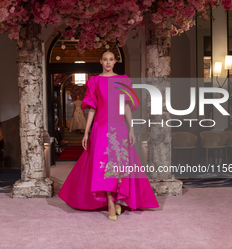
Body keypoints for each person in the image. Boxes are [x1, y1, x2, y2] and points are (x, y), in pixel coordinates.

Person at [58, 49, 159, 221]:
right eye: (105, 59)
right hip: (101, 128)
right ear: (100, 61)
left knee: (119, 165)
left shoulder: (123, 80)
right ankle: (111, 202)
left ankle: (118, 198)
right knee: (104, 167)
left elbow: (126, 107)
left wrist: (132, 129)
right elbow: (92, 108)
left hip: (120, 127)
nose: (108, 62)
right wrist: (87, 132)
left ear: (115, 61)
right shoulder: (94, 81)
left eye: (111, 59)